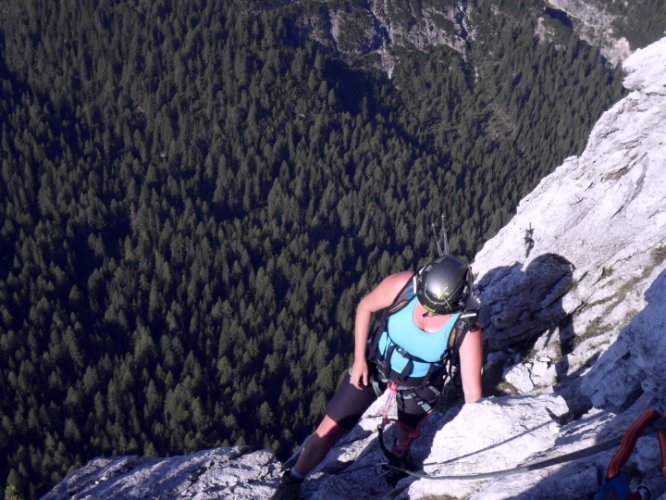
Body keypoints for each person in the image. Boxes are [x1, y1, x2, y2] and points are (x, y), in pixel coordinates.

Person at [272, 255, 484, 499]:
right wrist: (360, 358)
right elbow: (365, 307)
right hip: (374, 366)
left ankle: (399, 461)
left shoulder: (466, 327)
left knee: (407, 432)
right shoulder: (403, 286)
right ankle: (293, 479)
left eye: (435, 309)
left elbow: (472, 393)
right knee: (329, 428)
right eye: (424, 303)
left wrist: (473, 432)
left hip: (420, 384)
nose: (426, 312)